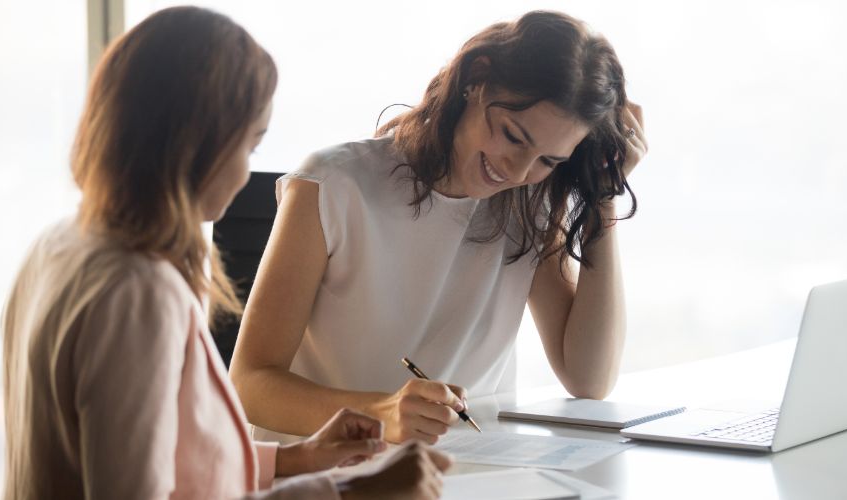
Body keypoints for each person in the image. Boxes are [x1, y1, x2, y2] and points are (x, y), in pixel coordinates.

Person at [1, 6, 450, 499]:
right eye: (250, 146)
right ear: (198, 143)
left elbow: (161, 453)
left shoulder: (59, 244)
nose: (244, 176)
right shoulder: (138, 292)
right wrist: (343, 494)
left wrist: (295, 459)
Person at [230, 10, 648, 445]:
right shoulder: (333, 184)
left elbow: (589, 379)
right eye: (513, 135)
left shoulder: (531, 203)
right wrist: (380, 414)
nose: (519, 169)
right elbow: (250, 384)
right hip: (327, 474)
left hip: (466, 474)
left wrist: (603, 199)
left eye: (549, 160)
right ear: (476, 79)